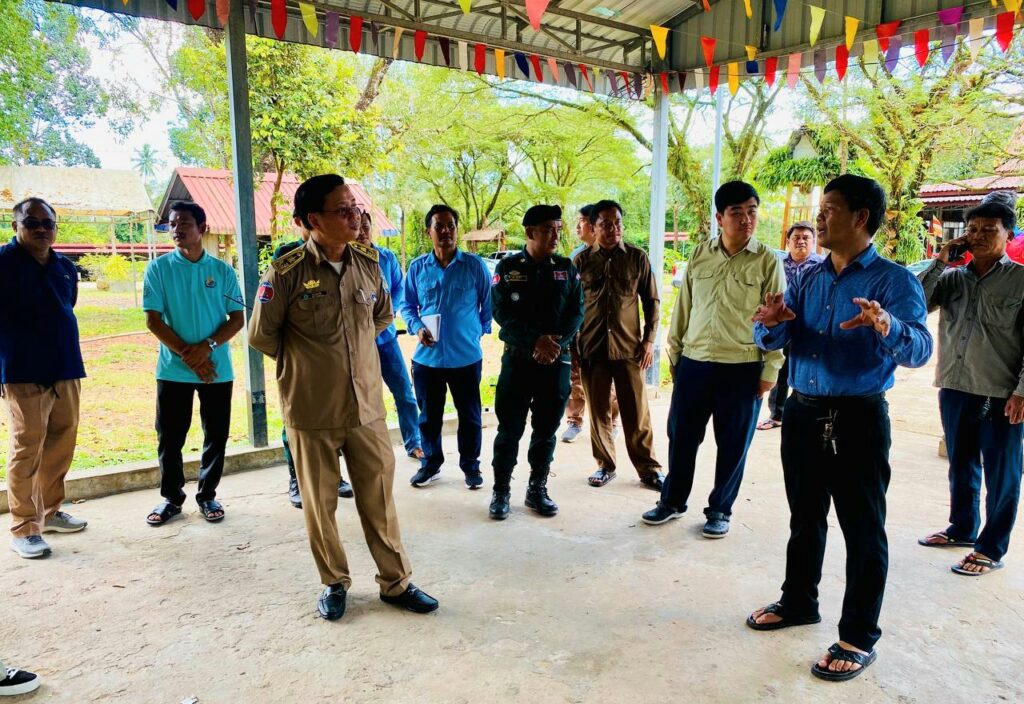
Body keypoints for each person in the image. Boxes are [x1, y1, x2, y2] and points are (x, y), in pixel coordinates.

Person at [746, 175, 932, 682]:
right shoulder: (809, 277)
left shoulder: (895, 282)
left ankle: (858, 636)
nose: (819, 217)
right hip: (803, 411)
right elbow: (781, 335)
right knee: (805, 517)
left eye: (829, 209)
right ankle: (798, 602)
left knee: (863, 528)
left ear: (861, 217)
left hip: (857, 418)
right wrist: (770, 324)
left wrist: (886, 325)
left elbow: (920, 350)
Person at [249, 174, 437, 620]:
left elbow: (381, 316)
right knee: (321, 504)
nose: (355, 216)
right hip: (311, 409)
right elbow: (261, 335)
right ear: (313, 220)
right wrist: (313, 364)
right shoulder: (286, 271)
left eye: (356, 208)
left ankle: (396, 582)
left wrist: (349, 351)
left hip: (366, 407)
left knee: (380, 499)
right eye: (343, 210)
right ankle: (334, 582)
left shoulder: (369, 263)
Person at [642, 182, 786, 538]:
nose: (746, 219)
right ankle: (672, 501)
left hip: (742, 366)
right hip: (695, 362)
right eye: (737, 212)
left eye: (752, 211)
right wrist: (676, 353)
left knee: (733, 444)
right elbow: (684, 308)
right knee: (682, 437)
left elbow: (777, 317)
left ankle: (720, 509)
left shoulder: (768, 260)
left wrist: (771, 368)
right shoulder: (700, 255)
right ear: (720, 218)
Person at [916, 191, 1024, 577]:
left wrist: (1022, 392)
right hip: (955, 385)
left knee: (1002, 473)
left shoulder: (1020, 281)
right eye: (973, 229)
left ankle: (991, 548)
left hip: (1001, 392)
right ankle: (962, 528)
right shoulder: (952, 278)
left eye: (988, 229)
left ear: (1008, 234)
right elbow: (915, 304)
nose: (978, 235)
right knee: (961, 463)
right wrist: (940, 260)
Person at [142, 202, 245, 526]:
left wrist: (207, 348)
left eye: (184, 223)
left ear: (202, 228)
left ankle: (207, 495)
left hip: (216, 369)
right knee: (170, 437)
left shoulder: (223, 271)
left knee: (216, 435)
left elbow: (237, 318)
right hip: (173, 369)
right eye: (172, 224)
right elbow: (153, 320)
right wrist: (190, 355)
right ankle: (171, 499)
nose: (176, 229)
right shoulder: (158, 269)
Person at [1, 198, 87, 559]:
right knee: (27, 448)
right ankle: (24, 527)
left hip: (65, 366)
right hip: (23, 371)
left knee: (61, 442)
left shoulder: (64, 266)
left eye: (47, 223)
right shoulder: (3, 263)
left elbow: (67, 306)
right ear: (15, 225)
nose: (40, 229)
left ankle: (50, 512)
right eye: (31, 222)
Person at [489, 205, 584, 520]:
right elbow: (502, 313)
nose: (555, 235)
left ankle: (537, 489)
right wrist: (535, 341)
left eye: (558, 229)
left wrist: (554, 344)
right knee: (509, 429)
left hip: (556, 361)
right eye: (547, 229)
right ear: (530, 232)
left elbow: (577, 312)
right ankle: (501, 491)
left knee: (546, 430)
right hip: (518, 361)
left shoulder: (566, 268)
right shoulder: (508, 267)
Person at [400, 205, 492, 490]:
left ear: (456, 229)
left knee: (470, 416)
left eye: (450, 225)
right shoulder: (418, 267)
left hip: (466, 357)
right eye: (438, 226)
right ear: (428, 231)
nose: (445, 231)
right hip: (428, 359)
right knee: (429, 418)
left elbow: (488, 306)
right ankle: (431, 464)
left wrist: (475, 333)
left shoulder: (474, 266)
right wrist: (417, 327)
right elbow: (407, 305)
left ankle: (471, 466)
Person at [573, 200, 663, 490]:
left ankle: (649, 469)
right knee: (598, 412)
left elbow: (652, 302)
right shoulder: (581, 262)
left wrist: (649, 340)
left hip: (629, 350)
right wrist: (573, 347)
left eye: (618, 223)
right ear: (593, 227)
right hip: (592, 348)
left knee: (637, 412)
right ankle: (605, 465)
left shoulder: (637, 258)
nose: (613, 229)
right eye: (606, 224)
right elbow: (571, 307)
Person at [272, 226, 353, 508]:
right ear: (304, 220)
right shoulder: (287, 256)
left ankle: (335, 475)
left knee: (336, 419)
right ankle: (296, 478)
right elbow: (265, 328)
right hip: (302, 363)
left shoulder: (342, 253)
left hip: (336, 361)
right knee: (297, 424)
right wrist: (294, 358)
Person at [356, 210, 424, 461]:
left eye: (366, 226)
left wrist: (388, 312)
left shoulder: (386, 257)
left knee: (404, 391)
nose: (362, 232)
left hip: (386, 339)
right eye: (358, 227)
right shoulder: (346, 259)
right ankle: (368, 449)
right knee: (365, 398)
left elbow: (399, 289)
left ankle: (414, 441)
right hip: (358, 343)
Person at [757, 221, 823, 431]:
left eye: (806, 238)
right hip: (782, 326)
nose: (801, 241)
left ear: (813, 242)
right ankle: (777, 415)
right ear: (788, 241)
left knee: (807, 369)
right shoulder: (778, 264)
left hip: (810, 327)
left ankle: (804, 414)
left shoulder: (822, 266)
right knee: (781, 369)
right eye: (796, 237)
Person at [562, 204, 619, 443]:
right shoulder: (577, 258)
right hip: (580, 331)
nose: (578, 225)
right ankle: (574, 420)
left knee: (609, 380)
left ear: (595, 225)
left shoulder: (619, 256)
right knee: (575, 376)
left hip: (610, 333)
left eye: (583, 220)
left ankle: (611, 422)